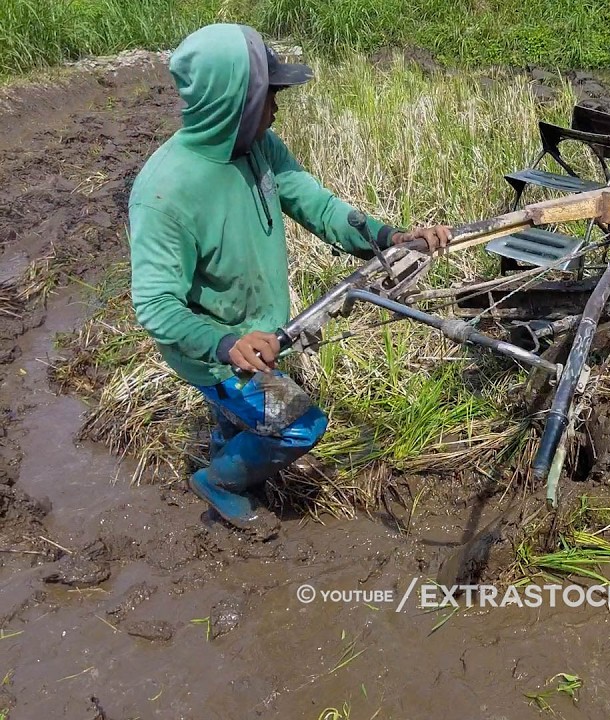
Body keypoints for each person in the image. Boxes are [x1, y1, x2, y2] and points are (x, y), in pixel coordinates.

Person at [127, 23, 451, 535]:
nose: (276, 110)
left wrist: (387, 237)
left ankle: (228, 441)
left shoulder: (259, 147)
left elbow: (314, 202)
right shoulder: (165, 194)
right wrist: (227, 343)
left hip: (257, 331)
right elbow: (155, 305)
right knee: (302, 424)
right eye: (268, 98)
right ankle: (219, 481)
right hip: (216, 354)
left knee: (245, 412)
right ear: (232, 102)